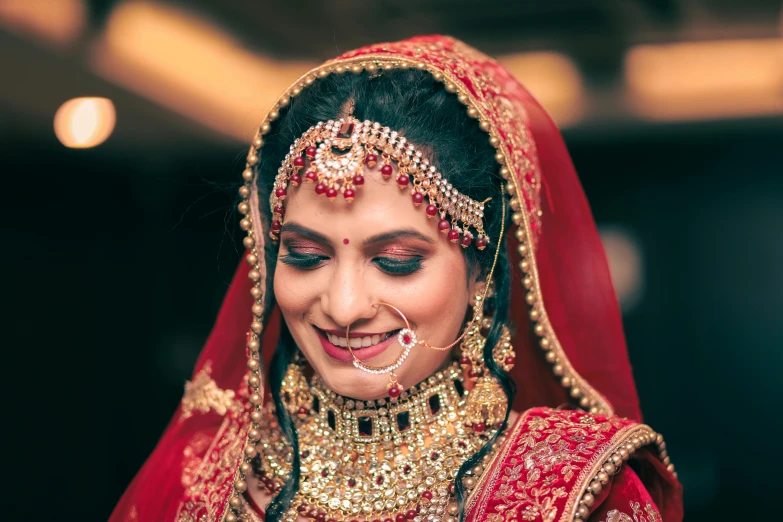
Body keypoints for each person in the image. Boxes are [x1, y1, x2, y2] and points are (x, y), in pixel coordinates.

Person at [109, 35, 683, 522]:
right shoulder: (202, 484)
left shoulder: (576, 489)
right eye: (306, 255)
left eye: (397, 261)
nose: (344, 305)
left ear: (480, 269)